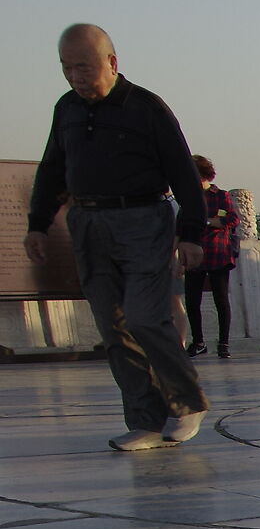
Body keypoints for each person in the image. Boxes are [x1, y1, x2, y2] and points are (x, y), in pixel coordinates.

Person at [25, 24, 209, 452]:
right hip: (88, 225)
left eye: (84, 67)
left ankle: (186, 402)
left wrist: (192, 233)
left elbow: (183, 171)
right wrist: (37, 223)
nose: (75, 77)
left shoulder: (147, 108)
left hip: (143, 219)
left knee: (146, 318)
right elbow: (53, 168)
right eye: (67, 68)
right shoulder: (66, 109)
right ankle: (145, 421)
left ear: (112, 62)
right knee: (113, 327)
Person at [182, 155, 238, 360]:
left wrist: (207, 222)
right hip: (194, 253)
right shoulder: (188, 196)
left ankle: (224, 343)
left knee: (221, 299)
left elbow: (232, 218)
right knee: (192, 300)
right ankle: (198, 341)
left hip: (218, 253)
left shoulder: (220, 195)